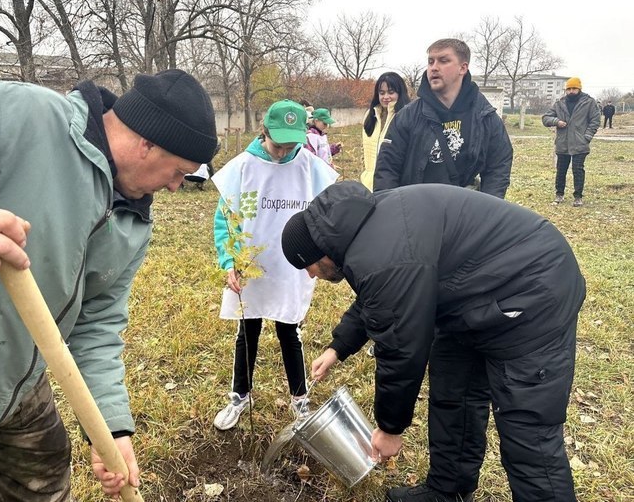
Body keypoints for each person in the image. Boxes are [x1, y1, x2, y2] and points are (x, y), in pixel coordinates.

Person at [0, 70, 218, 500]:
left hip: (17, 387)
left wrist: (111, 427)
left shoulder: (133, 222)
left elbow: (97, 324)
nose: (177, 187)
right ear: (147, 142)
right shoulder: (11, 116)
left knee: (44, 484)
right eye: (179, 172)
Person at [281, 180, 585, 502]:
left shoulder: (383, 252)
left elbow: (401, 348)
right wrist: (337, 347)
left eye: (308, 266)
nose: (311, 275)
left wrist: (389, 429)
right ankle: (447, 491)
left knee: (529, 435)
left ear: (319, 250)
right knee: (454, 396)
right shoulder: (362, 229)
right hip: (474, 299)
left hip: (532, 294)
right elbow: (382, 297)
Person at [211, 99, 338, 431]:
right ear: (263, 131)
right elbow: (226, 219)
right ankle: (240, 395)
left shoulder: (311, 167)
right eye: (277, 143)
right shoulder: (243, 167)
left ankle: (300, 402)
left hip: (293, 266)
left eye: (290, 144)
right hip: (253, 265)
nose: (282, 152)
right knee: (247, 329)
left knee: (288, 329)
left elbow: (326, 216)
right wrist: (230, 262)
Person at [373, 38, 513, 198]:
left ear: (463, 68)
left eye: (443, 61)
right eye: (430, 62)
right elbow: (387, 169)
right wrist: (391, 212)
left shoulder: (484, 116)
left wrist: (487, 211)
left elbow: (498, 166)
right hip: (416, 211)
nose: (434, 68)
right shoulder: (407, 116)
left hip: (465, 214)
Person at [542, 77, 600, 207]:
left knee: (578, 170)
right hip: (563, 142)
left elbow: (595, 120)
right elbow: (546, 118)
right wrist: (556, 122)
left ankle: (578, 197)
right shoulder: (559, 103)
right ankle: (559, 194)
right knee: (561, 170)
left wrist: (587, 137)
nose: (571, 91)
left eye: (574, 88)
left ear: (579, 89)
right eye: (568, 89)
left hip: (580, 143)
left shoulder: (589, 102)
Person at [361, 72, 411, 190]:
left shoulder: (405, 117)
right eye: (382, 93)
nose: (386, 97)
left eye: (391, 92)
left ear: (400, 92)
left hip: (394, 186)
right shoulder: (370, 115)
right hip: (369, 184)